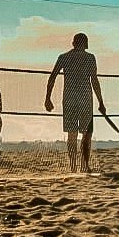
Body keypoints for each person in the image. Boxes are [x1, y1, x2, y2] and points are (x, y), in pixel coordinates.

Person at [45, 32, 108, 173]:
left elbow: (52, 78)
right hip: (84, 99)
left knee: (72, 134)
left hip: (70, 99)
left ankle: (74, 166)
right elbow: (95, 81)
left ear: (74, 43)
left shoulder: (64, 57)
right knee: (86, 134)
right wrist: (101, 102)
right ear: (85, 44)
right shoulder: (89, 58)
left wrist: (48, 98)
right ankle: (83, 165)